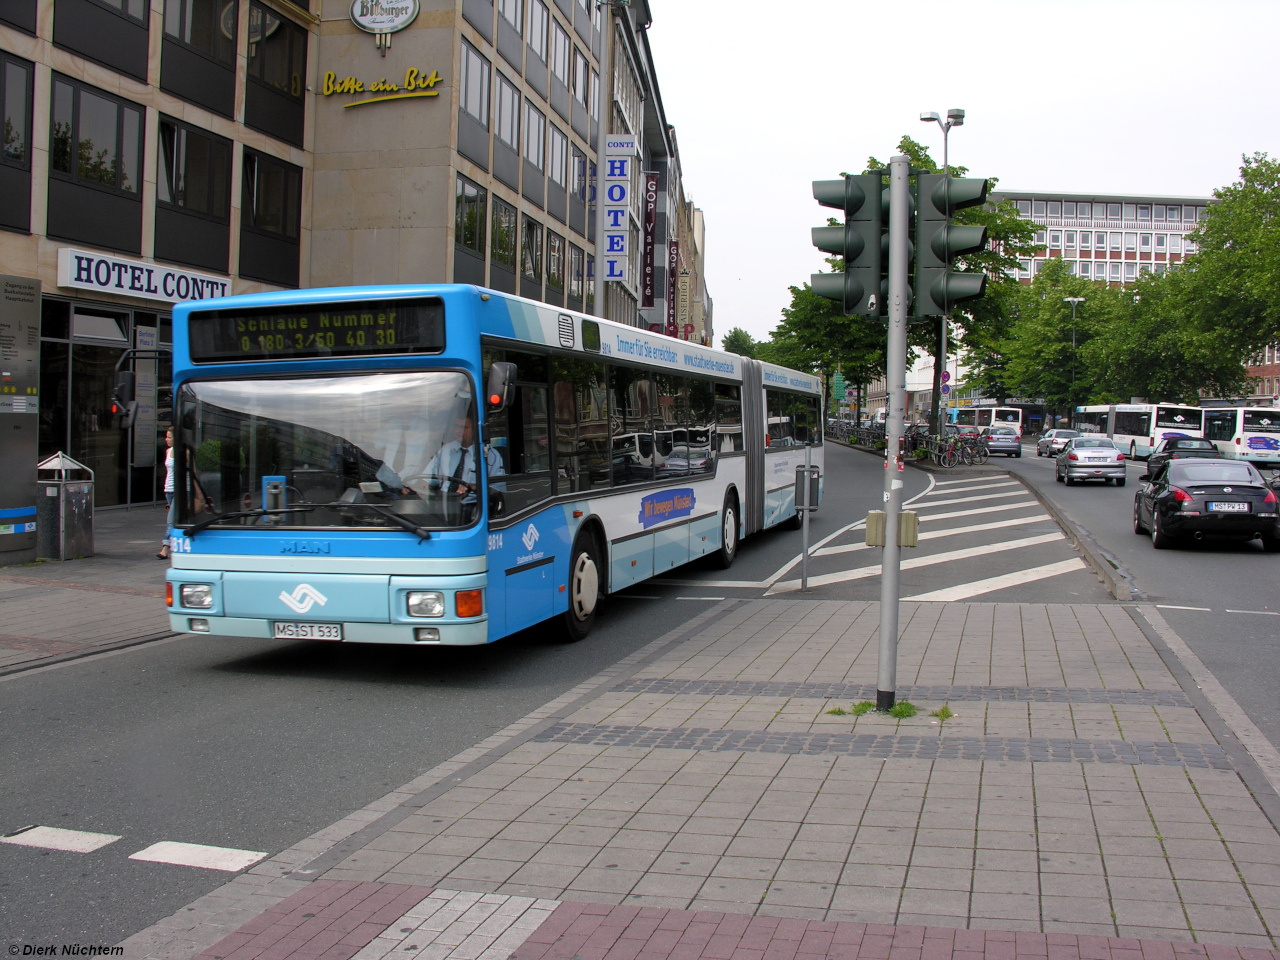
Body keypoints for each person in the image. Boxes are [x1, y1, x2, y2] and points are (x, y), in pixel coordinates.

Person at [421, 413, 505, 520]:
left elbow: (497, 491)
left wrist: (474, 487)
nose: (458, 431)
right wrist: (415, 487)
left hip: (473, 508)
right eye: (457, 427)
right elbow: (428, 478)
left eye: (464, 427)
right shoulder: (445, 450)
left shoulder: (490, 455)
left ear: (475, 429)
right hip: (444, 505)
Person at [158, 427, 174, 559]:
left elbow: (191, 472)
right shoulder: (168, 451)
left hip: (180, 490)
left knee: (171, 520)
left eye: (169, 437)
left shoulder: (184, 452)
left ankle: (165, 547)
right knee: (175, 519)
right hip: (168, 489)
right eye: (166, 437)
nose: (166, 439)